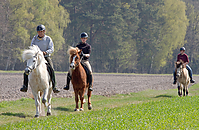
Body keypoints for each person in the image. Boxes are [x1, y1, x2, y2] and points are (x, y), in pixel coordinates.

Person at [20, 24, 60, 93]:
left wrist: (46, 52)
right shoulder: (34, 38)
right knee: (27, 69)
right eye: (38, 32)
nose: (40, 33)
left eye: (41, 31)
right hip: (36, 57)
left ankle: (54, 86)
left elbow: (51, 49)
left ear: (44, 31)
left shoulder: (48, 39)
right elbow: (32, 47)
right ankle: (25, 86)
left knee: (51, 69)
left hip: (45, 57)